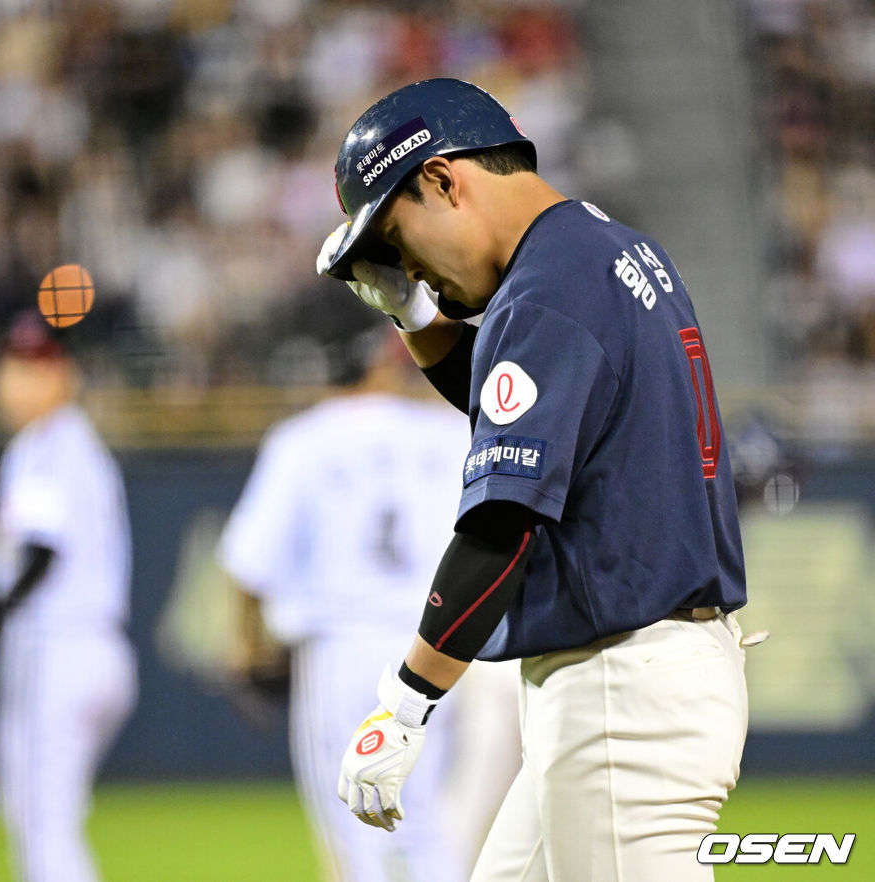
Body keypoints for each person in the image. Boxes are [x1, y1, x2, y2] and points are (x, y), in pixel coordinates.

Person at [316, 78, 751, 881]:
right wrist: (416, 318)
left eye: (397, 237)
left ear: (444, 179)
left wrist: (407, 700)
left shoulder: (549, 288)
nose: (406, 267)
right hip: (637, 676)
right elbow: (519, 418)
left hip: (624, 693)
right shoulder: (597, 249)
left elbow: (501, 521)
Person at [216, 326, 520, 881]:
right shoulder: (450, 430)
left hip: (342, 649)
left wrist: (245, 646)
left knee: (353, 830)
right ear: (385, 365)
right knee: (428, 826)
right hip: (434, 649)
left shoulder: (303, 438)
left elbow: (247, 564)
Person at [0, 311, 137, 882]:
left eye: (37, 367)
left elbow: (40, 552)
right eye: (13, 368)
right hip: (86, 650)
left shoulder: (53, 443)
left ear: (65, 376)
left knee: (43, 829)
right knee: (40, 818)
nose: (20, 382)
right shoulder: (59, 444)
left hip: (60, 648)